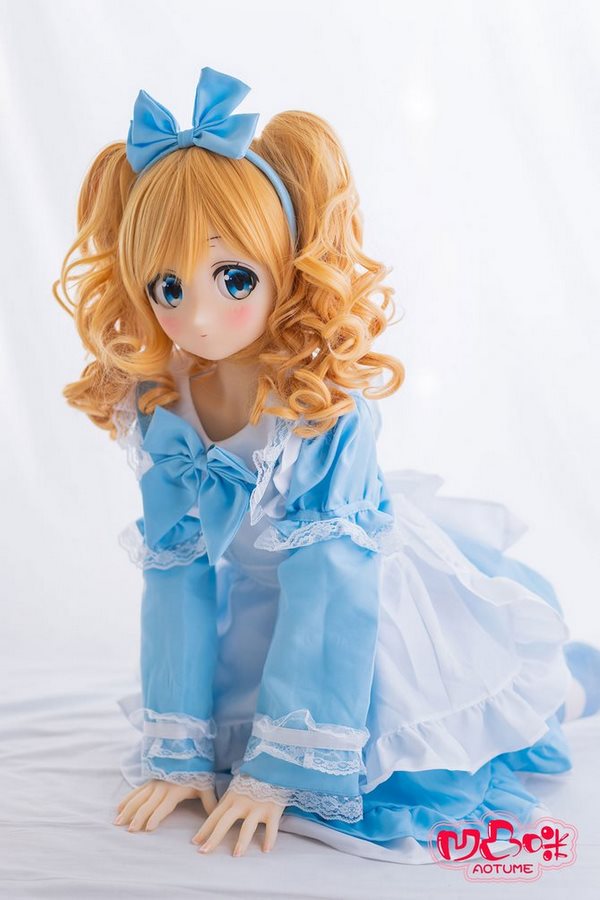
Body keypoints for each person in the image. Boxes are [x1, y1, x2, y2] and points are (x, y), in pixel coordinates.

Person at [54, 66, 600, 864]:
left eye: (232, 277)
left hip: (355, 613)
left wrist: (281, 770)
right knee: (225, 743)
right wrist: (176, 751)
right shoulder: (160, 403)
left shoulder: (317, 413)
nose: (196, 316)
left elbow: (332, 581)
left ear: (286, 264)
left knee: (448, 740)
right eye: (167, 285)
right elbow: (176, 574)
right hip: (261, 610)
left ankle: (577, 684)